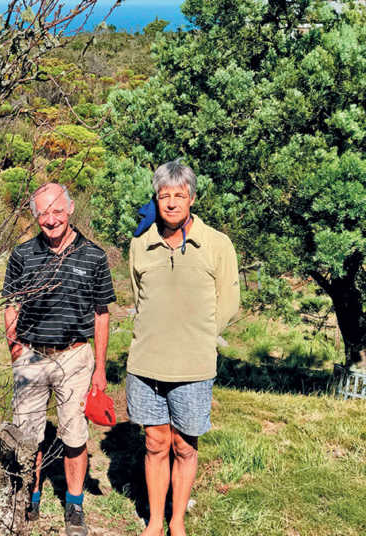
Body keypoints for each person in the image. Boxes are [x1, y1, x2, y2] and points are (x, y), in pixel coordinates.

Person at [126, 161, 240, 536]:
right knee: (156, 442)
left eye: (179, 195)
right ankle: (155, 522)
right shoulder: (140, 244)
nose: (172, 203)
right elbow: (139, 298)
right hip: (146, 364)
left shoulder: (217, 244)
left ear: (191, 197)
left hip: (193, 365)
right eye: (164, 196)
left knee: (184, 446)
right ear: (156, 199)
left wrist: (202, 337)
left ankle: (177, 522)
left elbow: (229, 302)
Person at [3, 183, 116, 536]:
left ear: (70, 211)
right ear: (35, 216)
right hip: (33, 356)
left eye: (57, 211)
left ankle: (74, 504)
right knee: (27, 434)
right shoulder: (23, 255)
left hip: (74, 356)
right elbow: (11, 303)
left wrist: (99, 367)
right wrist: (15, 347)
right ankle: (29, 496)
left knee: (74, 434)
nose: (50, 220)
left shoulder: (94, 257)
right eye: (43, 214)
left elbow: (102, 313)